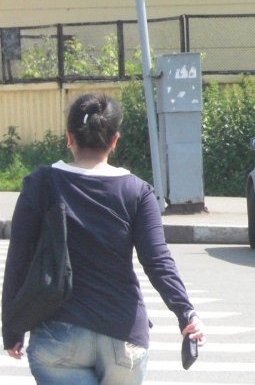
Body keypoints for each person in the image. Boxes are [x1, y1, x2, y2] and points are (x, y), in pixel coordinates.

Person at [2, 93, 205, 384]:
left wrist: (11, 328)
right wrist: (186, 313)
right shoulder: (137, 192)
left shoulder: (41, 183)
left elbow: (18, 260)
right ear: (114, 140)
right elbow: (158, 261)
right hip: (123, 336)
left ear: (69, 137)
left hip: (58, 336)